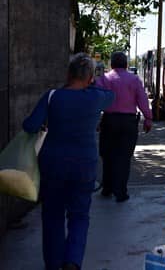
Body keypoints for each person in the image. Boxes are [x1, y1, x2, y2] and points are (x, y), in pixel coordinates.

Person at [22, 53, 115, 270]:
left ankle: (53, 264)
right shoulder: (95, 97)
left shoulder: (52, 96)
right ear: (90, 76)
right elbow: (111, 95)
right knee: (80, 215)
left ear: (68, 74)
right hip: (84, 164)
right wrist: (92, 84)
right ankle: (72, 261)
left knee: (52, 214)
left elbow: (30, 126)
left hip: (52, 163)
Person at [96, 51, 152, 202]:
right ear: (126, 64)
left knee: (107, 155)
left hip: (109, 120)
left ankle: (107, 188)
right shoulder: (134, 80)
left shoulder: (104, 79)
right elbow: (142, 100)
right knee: (124, 157)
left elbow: (96, 100)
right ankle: (120, 192)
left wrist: (95, 120)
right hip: (128, 122)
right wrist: (148, 118)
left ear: (112, 64)